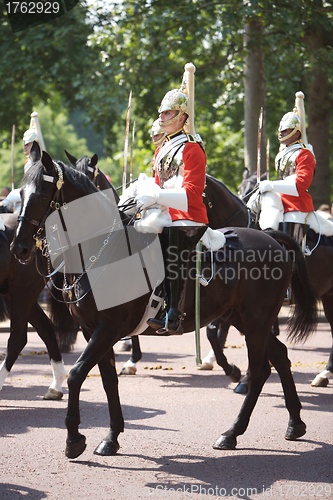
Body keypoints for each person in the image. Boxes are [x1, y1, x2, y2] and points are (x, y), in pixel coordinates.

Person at [135, 88, 208, 334]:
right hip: (166, 213)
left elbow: (191, 194)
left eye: (168, 113)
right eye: (161, 113)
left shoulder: (192, 148)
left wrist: (156, 196)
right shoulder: (161, 150)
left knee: (174, 246)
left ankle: (174, 312)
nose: (162, 117)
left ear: (182, 116)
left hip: (188, 217)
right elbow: (158, 185)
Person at [251, 106, 316, 234]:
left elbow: (301, 184)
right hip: (279, 200)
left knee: (292, 228)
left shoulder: (304, 154)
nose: (281, 132)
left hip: (296, 204)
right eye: (281, 129)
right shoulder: (282, 154)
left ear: (297, 133)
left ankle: (299, 251)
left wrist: (271, 185)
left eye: (286, 130)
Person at [1, 128, 39, 213]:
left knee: (11, 195)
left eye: (27, 144)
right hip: (27, 192)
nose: (24, 147)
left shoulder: (39, 163)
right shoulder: (27, 162)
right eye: (24, 144)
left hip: (34, 194)